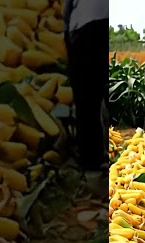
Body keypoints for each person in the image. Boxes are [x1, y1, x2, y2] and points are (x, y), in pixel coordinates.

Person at [63, 0, 108, 173]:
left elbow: (66, 16)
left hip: (84, 30)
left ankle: (91, 163)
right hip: (105, 23)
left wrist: (69, 46)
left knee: (86, 101)